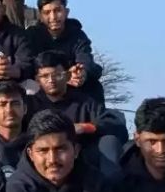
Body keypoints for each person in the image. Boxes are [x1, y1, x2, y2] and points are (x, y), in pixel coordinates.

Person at [30, 51, 125, 182]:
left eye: (57, 75)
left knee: (109, 141)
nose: (51, 80)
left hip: (82, 158)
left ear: (68, 75)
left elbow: (116, 126)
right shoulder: (30, 104)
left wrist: (86, 127)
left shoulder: (86, 102)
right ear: (37, 80)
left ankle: (112, 189)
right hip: (44, 160)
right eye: (45, 76)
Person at [26, 0, 105, 104]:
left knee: (94, 85)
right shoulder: (32, 35)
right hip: (44, 81)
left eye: (58, 11)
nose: (53, 17)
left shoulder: (77, 34)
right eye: (47, 12)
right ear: (40, 16)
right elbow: (28, 62)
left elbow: (85, 58)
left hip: (70, 81)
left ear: (66, 12)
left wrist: (81, 73)